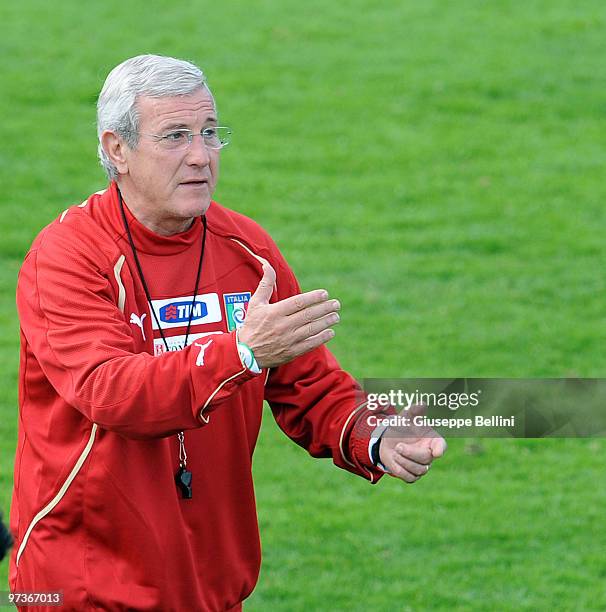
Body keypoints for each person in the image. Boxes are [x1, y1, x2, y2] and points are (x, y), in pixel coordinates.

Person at [9, 54, 447, 611]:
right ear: (117, 149)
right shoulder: (67, 258)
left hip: (210, 582)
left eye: (210, 133)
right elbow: (111, 392)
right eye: (175, 136)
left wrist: (375, 436)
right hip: (87, 584)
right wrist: (241, 351)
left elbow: (309, 385)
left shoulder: (246, 250)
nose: (200, 156)